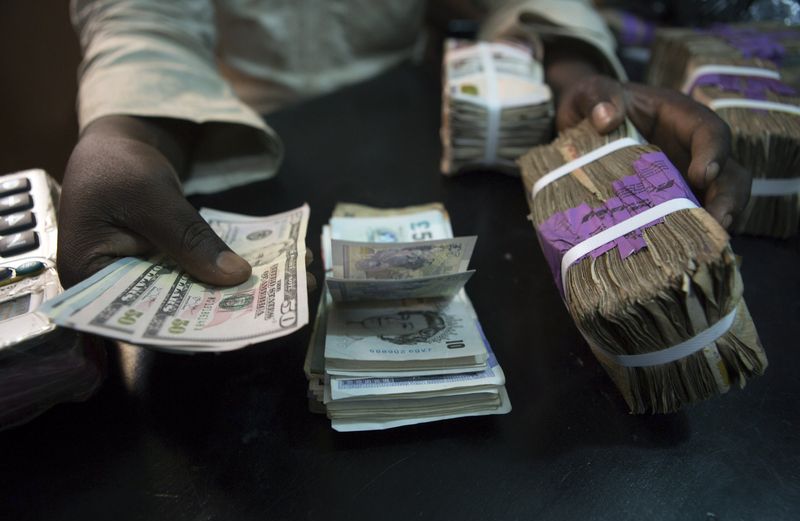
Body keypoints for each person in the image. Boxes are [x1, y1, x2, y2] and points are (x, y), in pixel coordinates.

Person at [58, 0, 751, 288]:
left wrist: (568, 69)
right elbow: (142, 23)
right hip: (238, 143)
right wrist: (121, 128)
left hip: (429, 130)